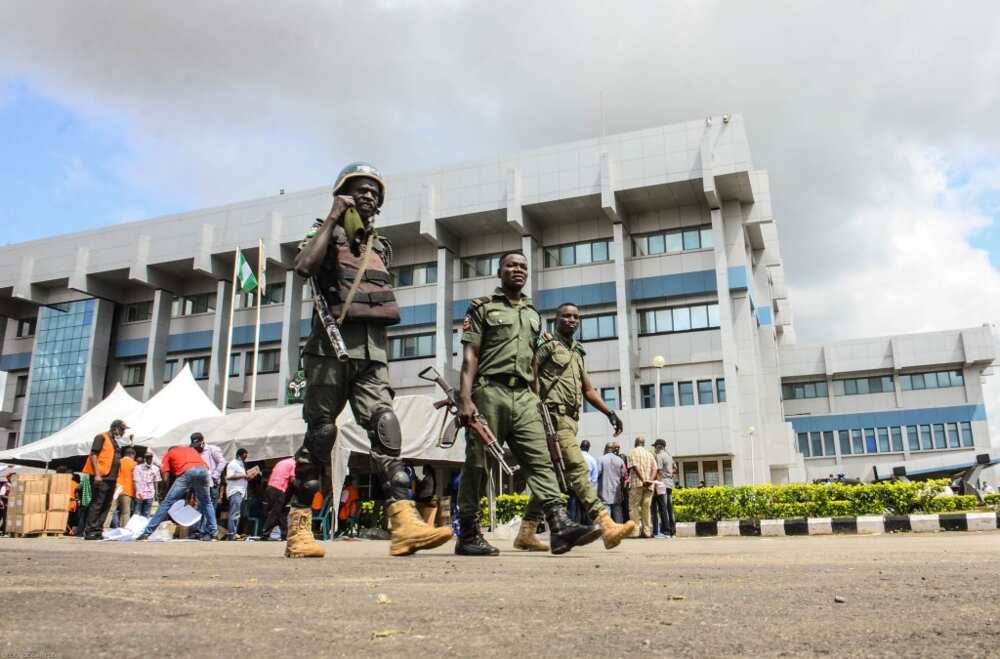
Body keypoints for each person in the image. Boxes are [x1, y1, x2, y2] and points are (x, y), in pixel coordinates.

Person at [287, 162, 451, 559]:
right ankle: (298, 529)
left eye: (374, 192)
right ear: (342, 193)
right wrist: (331, 217)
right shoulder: (323, 232)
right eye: (360, 189)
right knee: (321, 435)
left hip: (373, 352)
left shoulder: (381, 245)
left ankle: (404, 524)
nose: (369, 196)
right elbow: (303, 267)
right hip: (329, 350)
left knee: (385, 426)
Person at [455, 252, 600, 556]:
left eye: (522, 266)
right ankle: (468, 533)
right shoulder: (483, 307)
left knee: (541, 460)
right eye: (511, 265)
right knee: (478, 464)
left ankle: (560, 527)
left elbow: (534, 364)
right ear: (499, 272)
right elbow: (471, 355)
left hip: (524, 397)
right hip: (488, 391)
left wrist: (536, 398)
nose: (517, 270)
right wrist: (465, 398)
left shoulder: (534, 315)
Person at [515, 303, 635, 552]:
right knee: (577, 467)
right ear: (556, 319)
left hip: (570, 420)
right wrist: (536, 406)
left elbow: (588, 389)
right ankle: (606, 522)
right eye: (566, 316)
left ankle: (526, 533)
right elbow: (530, 373)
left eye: (576, 317)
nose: (571, 320)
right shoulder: (547, 345)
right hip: (551, 417)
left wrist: (610, 412)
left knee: (550, 479)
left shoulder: (577, 353)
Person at [137, 435, 218, 541]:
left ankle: (146, 533)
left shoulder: (169, 453)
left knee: (166, 503)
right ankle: (213, 532)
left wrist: (167, 492)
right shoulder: (190, 450)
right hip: (204, 471)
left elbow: (165, 477)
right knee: (207, 503)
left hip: (187, 472)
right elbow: (204, 466)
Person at [82, 419, 127, 540]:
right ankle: (90, 530)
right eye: (122, 429)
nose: (123, 432)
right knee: (98, 503)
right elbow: (93, 455)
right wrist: (97, 474)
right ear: (115, 428)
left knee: (107, 504)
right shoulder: (101, 437)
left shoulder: (115, 442)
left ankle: (98, 529)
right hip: (101, 476)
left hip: (111, 478)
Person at [195, 434, 225, 539]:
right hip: (201, 484)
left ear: (203, 442)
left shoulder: (213, 449)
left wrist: (214, 475)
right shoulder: (195, 452)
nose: (196, 447)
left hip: (213, 484)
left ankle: (209, 532)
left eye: (198, 444)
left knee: (210, 507)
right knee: (201, 508)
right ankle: (200, 531)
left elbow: (222, 462)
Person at [627, 437, 658, 538]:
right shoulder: (650, 454)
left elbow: (635, 466)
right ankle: (647, 532)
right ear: (643, 443)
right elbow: (655, 469)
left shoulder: (632, 452)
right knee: (646, 508)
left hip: (637, 484)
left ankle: (635, 531)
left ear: (635, 443)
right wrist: (650, 481)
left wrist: (643, 479)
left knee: (633, 507)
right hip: (649, 485)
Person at [224, 448, 257, 540]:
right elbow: (229, 477)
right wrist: (244, 476)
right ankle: (231, 533)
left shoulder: (242, 465)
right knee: (234, 512)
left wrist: (250, 476)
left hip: (242, 491)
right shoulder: (233, 464)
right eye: (244, 455)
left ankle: (234, 532)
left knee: (238, 513)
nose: (245, 457)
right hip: (235, 491)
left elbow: (243, 478)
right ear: (240, 455)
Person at [260, 457, 295, 541]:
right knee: (275, 512)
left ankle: (284, 535)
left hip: (270, 488)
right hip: (278, 489)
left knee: (281, 512)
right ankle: (265, 533)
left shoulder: (281, 462)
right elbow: (293, 479)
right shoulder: (293, 464)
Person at [651, 439, 676, 538]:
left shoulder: (659, 456)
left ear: (659, 446)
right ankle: (673, 530)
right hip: (670, 482)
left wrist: (658, 483)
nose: (654, 449)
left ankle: (666, 531)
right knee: (670, 508)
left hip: (663, 483)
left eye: (655, 446)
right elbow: (675, 468)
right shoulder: (669, 456)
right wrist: (669, 474)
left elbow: (658, 470)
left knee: (663, 507)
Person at [108, 446, 137, 529]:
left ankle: (104, 528)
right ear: (133, 455)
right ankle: (124, 529)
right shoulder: (134, 464)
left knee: (110, 510)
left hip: (116, 489)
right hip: (127, 490)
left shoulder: (118, 462)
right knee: (125, 512)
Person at [597, 442, 627, 523]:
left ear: (606, 449)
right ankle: (620, 532)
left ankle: (607, 533)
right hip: (616, 492)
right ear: (613, 449)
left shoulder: (601, 459)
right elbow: (624, 476)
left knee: (606, 513)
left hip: (604, 491)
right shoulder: (620, 460)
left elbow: (597, 474)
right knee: (618, 512)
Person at [133, 451, 161, 518]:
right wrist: (139, 492)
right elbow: (136, 481)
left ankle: (144, 527)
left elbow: (156, 481)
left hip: (150, 494)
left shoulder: (155, 468)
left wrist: (156, 494)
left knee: (147, 513)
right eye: (147, 457)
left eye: (150, 457)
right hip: (140, 494)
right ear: (144, 458)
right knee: (137, 513)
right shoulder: (138, 468)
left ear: (152, 458)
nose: (149, 459)